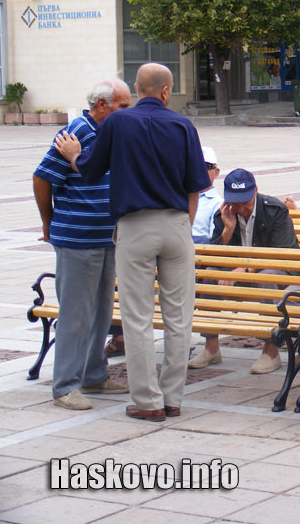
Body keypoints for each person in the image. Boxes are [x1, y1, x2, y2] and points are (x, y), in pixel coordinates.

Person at [54, 63, 211, 422]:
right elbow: (195, 187)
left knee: (137, 318)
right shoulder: (183, 125)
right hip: (176, 225)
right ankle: (173, 398)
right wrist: (183, 227)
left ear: (138, 89)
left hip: (135, 227)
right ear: (166, 91)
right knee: (178, 318)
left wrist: (74, 154)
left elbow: (90, 169)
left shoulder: (118, 122)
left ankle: (148, 401)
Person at [33, 79, 132, 410]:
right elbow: (42, 177)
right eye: (122, 105)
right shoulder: (77, 132)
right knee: (75, 313)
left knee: (101, 311)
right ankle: (65, 385)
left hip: (105, 237)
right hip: (78, 238)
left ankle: (93, 374)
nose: (127, 111)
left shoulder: (110, 132)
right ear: (101, 105)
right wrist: (48, 223)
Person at [188, 168, 300, 373]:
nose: (240, 208)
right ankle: (211, 347)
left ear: (255, 191)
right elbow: (214, 257)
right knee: (210, 273)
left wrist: (246, 268)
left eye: (245, 201)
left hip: (276, 272)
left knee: (268, 276)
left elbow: (282, 253)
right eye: (235, 202)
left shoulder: (275, 210)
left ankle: (271, 350)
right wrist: (227, 230)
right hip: (238, 273)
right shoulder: (223, 214)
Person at [191, 146, 223, 244]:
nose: (200, 171)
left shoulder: (218, 204)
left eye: (206, 167)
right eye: (195, 166)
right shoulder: (178, 196)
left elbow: (214, 240)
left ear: (216, 172)